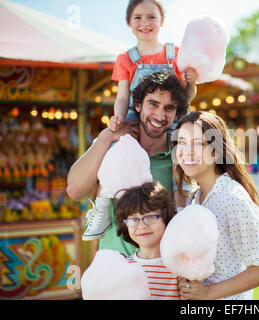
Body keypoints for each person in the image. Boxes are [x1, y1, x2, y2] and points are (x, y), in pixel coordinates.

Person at [66, 72, 189, 255]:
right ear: (138, 105)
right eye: (153, 104)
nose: (160, 115)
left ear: (176, 113)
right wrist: (108, 135)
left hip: (161, 271)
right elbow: (75, 191)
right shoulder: (113, 146)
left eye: (169, 108)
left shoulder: (181, 157)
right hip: (116, 270)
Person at [172, 111, 259, 300]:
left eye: (198, 143)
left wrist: (207, 293)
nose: (186, 151)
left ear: (216, 150)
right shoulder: (195, 198)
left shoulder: (231, 198)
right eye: (181, 142)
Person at [110, 0, 197, 132]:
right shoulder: (125, 59)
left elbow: (188, 96)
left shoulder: (176, 54)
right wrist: (118, 118)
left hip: (172, 123)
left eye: (151, 17)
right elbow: (122, 98)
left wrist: (192, 82)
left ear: (162, 20)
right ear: (128, 21)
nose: (145, 23)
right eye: (138, 17)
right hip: (137, 124)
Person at [114, 181, 180, 299]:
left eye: (150, 217)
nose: (142, 226)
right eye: (133, 220)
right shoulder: (124, 268)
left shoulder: (181, 266)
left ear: (166, 219)